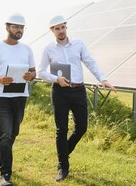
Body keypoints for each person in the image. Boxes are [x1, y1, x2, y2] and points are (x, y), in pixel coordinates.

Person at [37, 15, 116, 181]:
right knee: (61, 130)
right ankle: (63, 167)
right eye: (57, 28)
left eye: (62, 27)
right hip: (59, 92)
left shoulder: (78, 44)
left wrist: (103, 79)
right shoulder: (48, 49)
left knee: (81, 127)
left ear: (66, 27)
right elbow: (41, 71)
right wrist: (56, 79)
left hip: (79, 90)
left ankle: (64, 153)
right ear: (52, 30)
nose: (60, 31)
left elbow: (90, 62)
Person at [0, 13, 36, 186]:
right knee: (4, 134)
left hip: (20, 96)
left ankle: (2, 159)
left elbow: (34, 72)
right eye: (16, 27)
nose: (19, 30)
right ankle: (5, 175)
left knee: (13, 133)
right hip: (1, 97)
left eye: (22, 27)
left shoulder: (27, 49)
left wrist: (30, 76)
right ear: (7, 28)